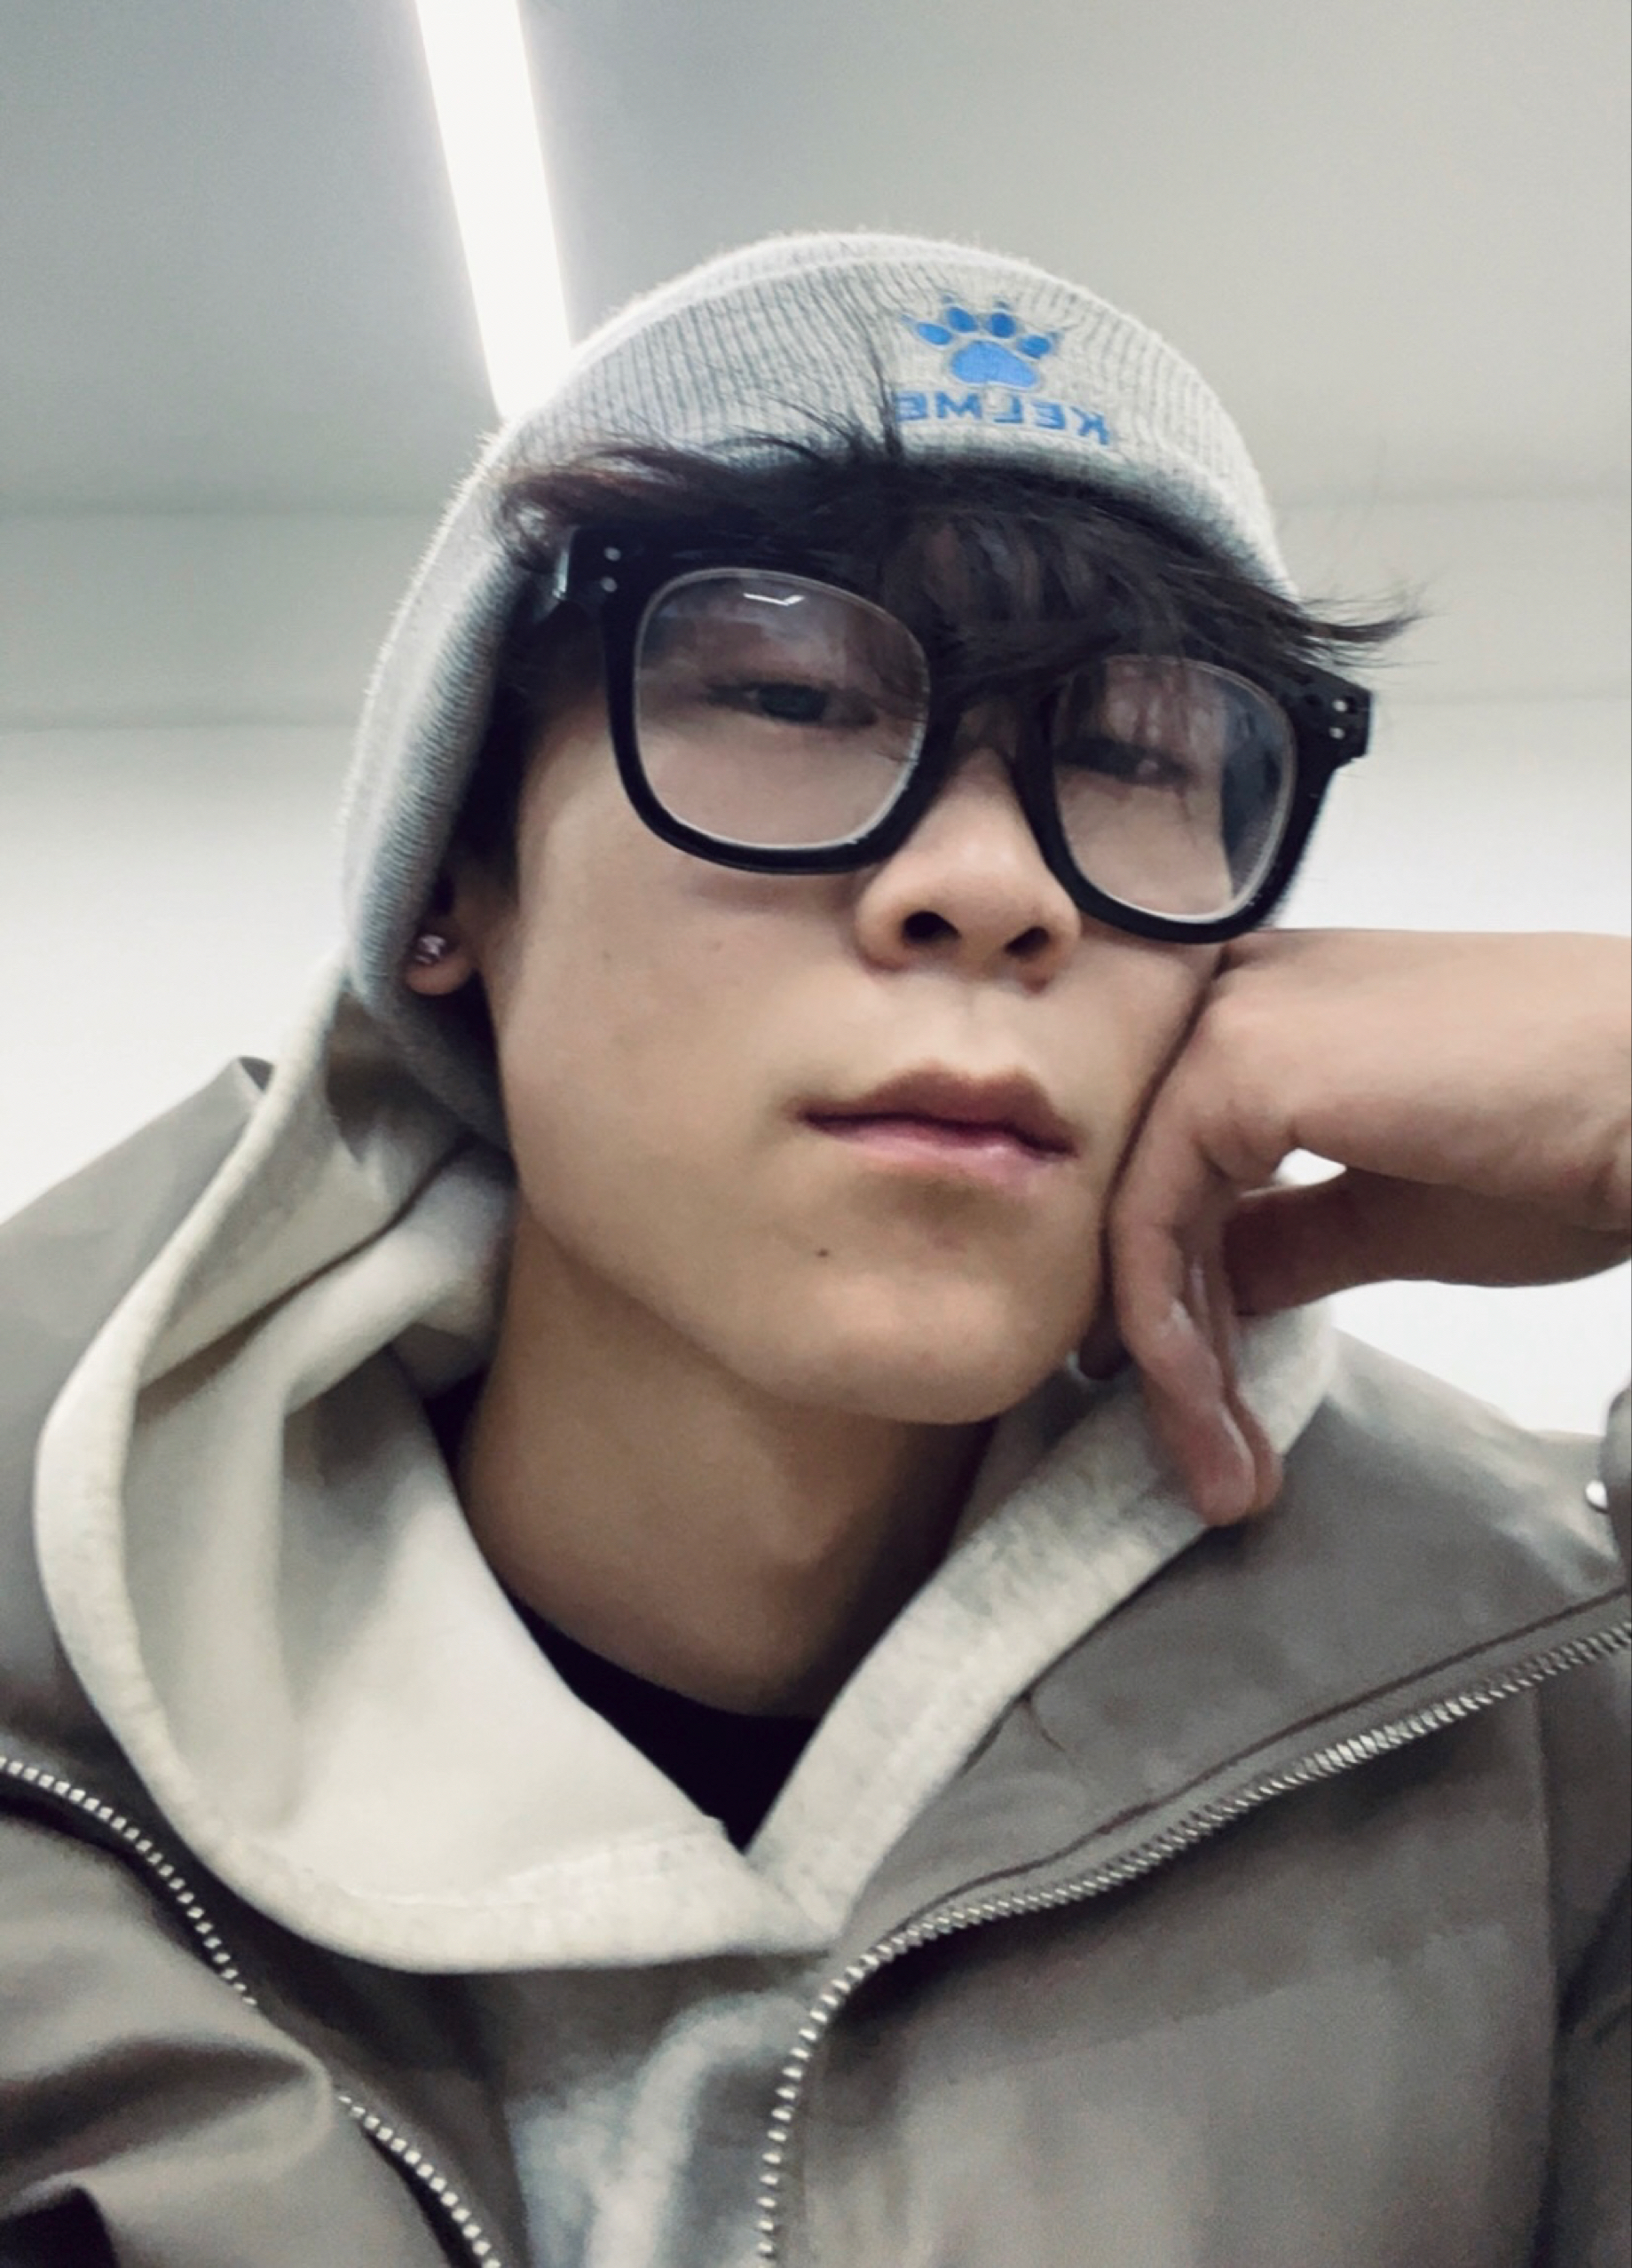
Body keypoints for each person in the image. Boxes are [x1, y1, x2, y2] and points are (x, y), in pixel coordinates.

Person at [1, 232, 1626, 2268]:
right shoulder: (47, 1818)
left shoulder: (1542, 1740)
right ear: (446, 884)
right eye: (785, 696)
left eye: (1128, 753)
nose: (991, 879)